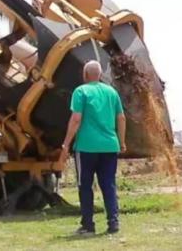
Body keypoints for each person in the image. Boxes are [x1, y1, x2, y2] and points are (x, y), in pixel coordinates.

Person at [60, 60, 126, 235]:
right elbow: (121, 118)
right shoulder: (112, 92)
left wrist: (66, 144)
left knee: (85, 186)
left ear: (85, 74)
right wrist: (122, 141)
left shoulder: (81, 91)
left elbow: (76, 119)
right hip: (110, 146)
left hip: (86, 147)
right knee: (108, 184)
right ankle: (113, 222)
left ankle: (88, 225)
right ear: (100, 74)